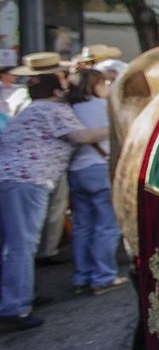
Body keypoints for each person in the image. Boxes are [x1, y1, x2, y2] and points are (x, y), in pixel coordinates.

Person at [0, 53, 109, 330]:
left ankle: (20, 296)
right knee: (21, 246)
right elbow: (81, 137)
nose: (68, 82)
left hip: (14, 180)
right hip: (29, 181)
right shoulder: (53, 110)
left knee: (13, 244)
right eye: (63, 79)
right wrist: (116, 126)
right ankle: (15, 308)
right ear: (55, 86)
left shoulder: (32, 109)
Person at [65, 69, 126, 296]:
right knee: (106, 225)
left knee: (82, 226)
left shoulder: (70, 108)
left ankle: (81, 276)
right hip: (100, 167)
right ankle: (103, 276)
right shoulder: (104, 107)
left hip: (76, 170)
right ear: (95, 84)